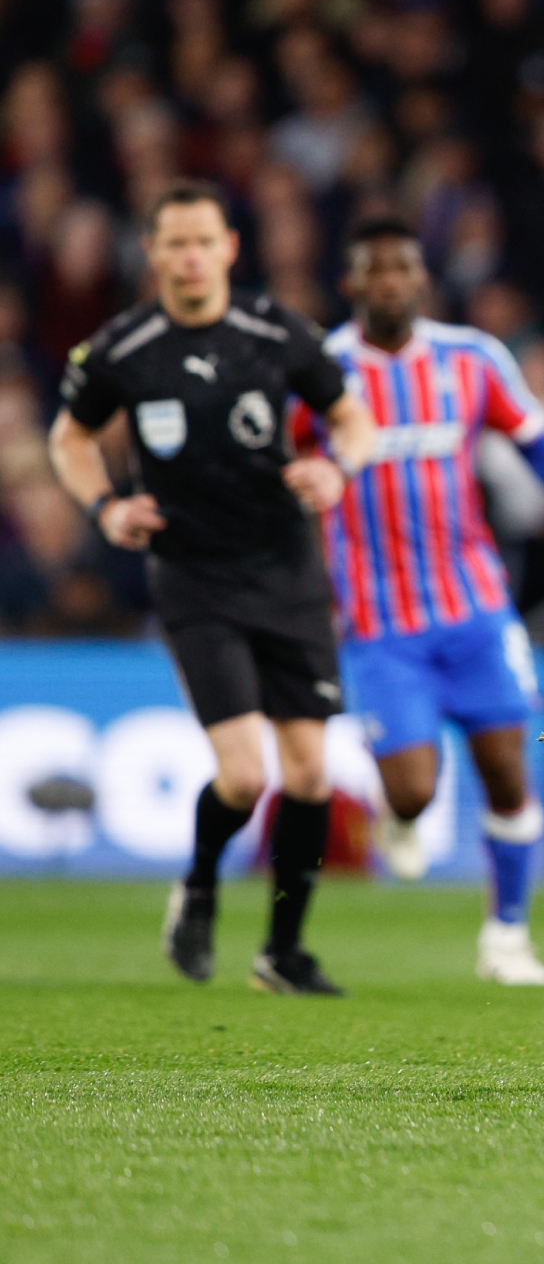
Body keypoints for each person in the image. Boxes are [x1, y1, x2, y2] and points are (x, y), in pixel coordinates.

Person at [47, 179, 377, 996]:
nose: (191, 257)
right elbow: (70, 437)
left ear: (229, 247)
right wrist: (105, 505)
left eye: (204, 241)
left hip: (287, 570)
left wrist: (334, 472)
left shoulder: (275, 331)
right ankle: (197, 887)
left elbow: (354, 420)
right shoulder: (122, 348)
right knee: (243, 776)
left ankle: (283, 952)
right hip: (194, 576)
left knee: (308, 774)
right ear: (153, 254)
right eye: (175, 244)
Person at [303, 215, 544, 985]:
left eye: (404, 268)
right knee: (414, 788)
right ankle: (396, 814)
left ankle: (506, 938)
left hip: (473, 604)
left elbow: (532, 434)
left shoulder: (472, 358)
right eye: (376, 270)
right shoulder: (319, 369)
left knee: (507, 770)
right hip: (378, 620)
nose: (391, 282)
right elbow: (284, 459)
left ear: (421, 279)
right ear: (352, 284)